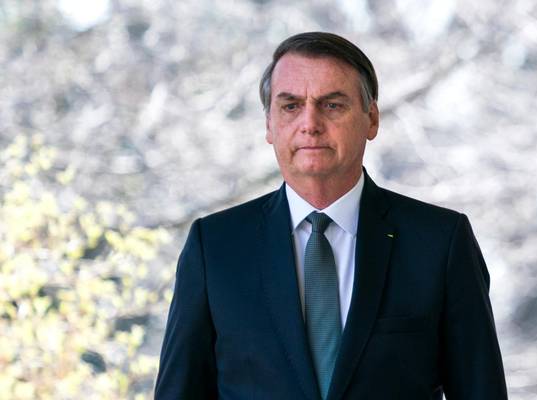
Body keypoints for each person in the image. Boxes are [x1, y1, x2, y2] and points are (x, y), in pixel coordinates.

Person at [155, 32, 507, 399]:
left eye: (332, 105)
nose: (310, 123)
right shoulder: (215, 247)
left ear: (371, 119)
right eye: (290, 106)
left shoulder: (439, 242)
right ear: (268, 125)